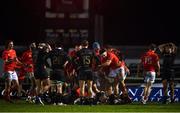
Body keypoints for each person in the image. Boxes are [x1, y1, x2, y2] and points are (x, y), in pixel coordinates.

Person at [75, 40, 95, 105]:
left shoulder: (79, 52)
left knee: (82, 87)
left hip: (82, 70)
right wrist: (94, 67)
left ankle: (82, 102)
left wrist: (78, 66)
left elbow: (73, 60)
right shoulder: (91, 51)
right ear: (88, 45)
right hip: (89, 70)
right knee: (90, 87)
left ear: (82, 45)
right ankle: (91, 101)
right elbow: (98, 59)